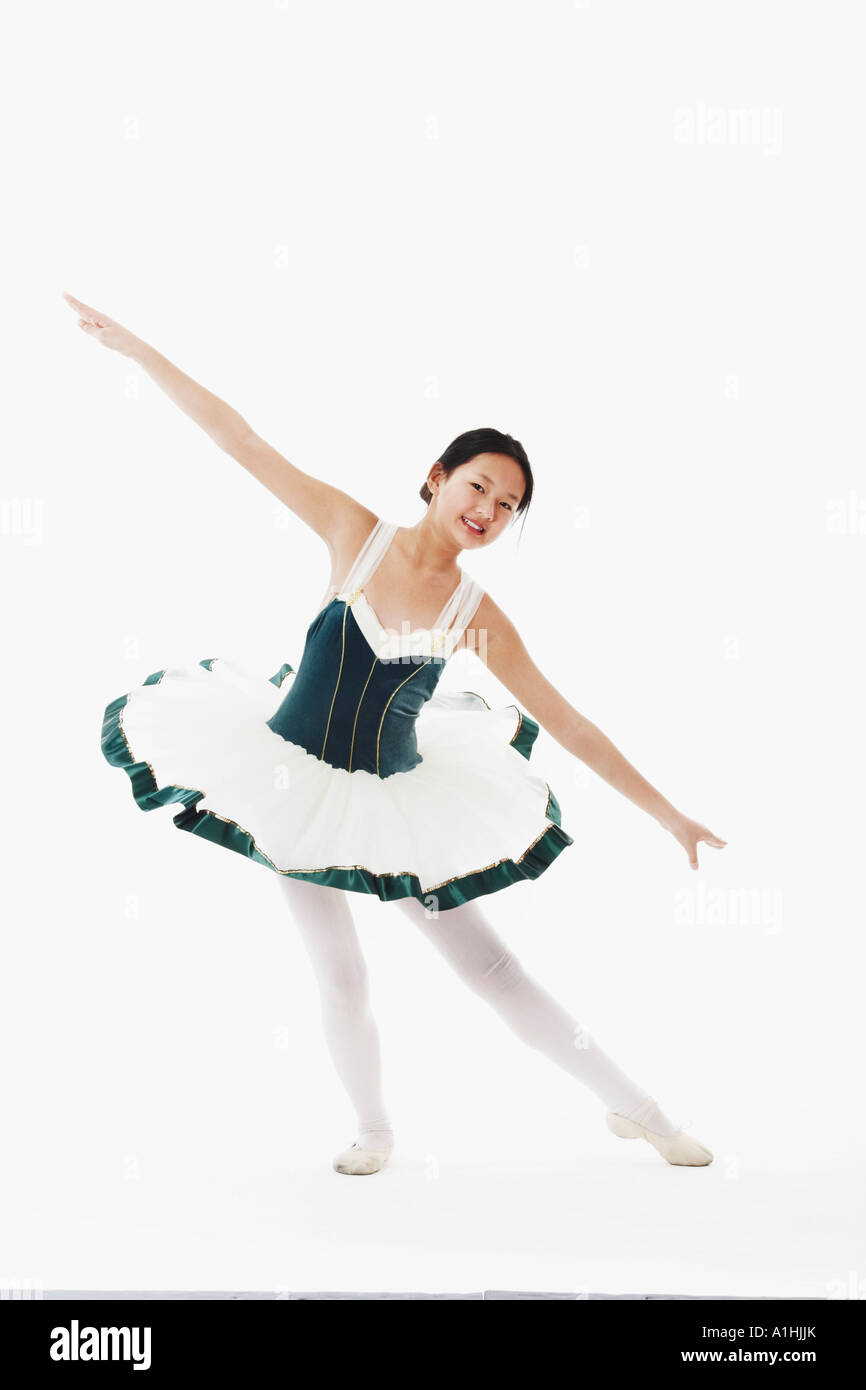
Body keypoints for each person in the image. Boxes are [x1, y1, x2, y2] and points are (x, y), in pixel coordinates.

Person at [64, 291, 727, 1176]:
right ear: (438, 477)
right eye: (478, 484)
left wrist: (668, 814)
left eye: (509, 504)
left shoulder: (475, 611)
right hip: (292, 783)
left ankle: (640, 1111)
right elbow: (242, 439)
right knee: (339, 974)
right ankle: (373, 1131)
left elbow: (568, 720)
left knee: (492, 972)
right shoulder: (356, 535)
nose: (488, 507)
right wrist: (140, 350)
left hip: (397, 801)